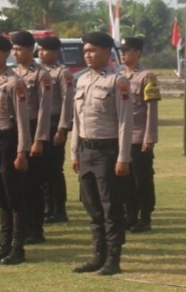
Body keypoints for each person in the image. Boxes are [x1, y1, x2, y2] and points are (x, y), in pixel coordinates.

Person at [70, 31, 134, 276]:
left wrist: (123, 157)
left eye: (93, 50)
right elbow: (77, 120)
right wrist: (74, 152)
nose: (88, 55)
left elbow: (125, 122)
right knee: (92, 206)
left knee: (111, 207)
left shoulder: (117, 82)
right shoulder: (83, 81)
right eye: (85, 50)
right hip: (86, 150)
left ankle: (114, 258)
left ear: (107, 53)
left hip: (108, 151)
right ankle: (98, 254)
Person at [0, 34, 33, 266]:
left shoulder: (15, 82)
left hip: (8, 140)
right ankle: (4, 245)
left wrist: (22, 151)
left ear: (5, 54)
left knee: (14, 196)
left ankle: (17, 247)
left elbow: (22, 120)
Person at [10, 31, 51, 243]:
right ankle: (22, 227)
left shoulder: (41, 74)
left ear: (29, 50)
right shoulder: (12, 73)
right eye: (13, 49)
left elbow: (44, 109)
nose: (15, 53)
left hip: (34, 127)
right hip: (16, 129)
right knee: (19, 183)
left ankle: (36, 229)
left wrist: (39, 139)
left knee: (33, 184)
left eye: (19, 49)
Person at [118, 36, 160, 233]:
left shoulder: (146, 76)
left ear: (138, 53)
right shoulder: (118, 76)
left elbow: (151, 109)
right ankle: (130, 215)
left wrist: (149, 138)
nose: (122, 54)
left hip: (138, 137)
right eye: (121, 50)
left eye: (127, 50)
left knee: (142, 179)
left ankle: (145, 217)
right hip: (121, 138)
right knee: (125, 180)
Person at [36, 35, 74, 224]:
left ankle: (59, 209)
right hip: (39, 125)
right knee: (41, 169)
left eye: (45, 50)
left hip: (54, 124)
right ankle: (46, 207)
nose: (40, 53)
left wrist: (62, 129)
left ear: (55, 52)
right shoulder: (38, 71)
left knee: (54, 169)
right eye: (39, 49)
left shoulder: (62, 73)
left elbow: (67, 103)